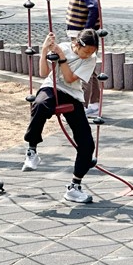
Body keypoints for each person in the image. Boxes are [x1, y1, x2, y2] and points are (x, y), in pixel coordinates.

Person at [21, 29, 99, 204]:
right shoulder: (60, 47)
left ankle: (74, 187)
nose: (88, 56)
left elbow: (70, 79)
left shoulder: (90, 60)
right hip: (51, 88)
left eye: (92, 53)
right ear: (77, 44)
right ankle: (32, 150)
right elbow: (43, 73)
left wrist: (61, 57)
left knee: (87, 144)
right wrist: (44, 51)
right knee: (40, 105)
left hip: (73, 94)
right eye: (86, 51)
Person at [65, 0, 102, 117]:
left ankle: (87, 104)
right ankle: (94, 103)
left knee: (84, 68)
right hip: (78, 32)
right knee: (90, 68)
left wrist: (86, 31)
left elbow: (93, 7)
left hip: (81, 34)